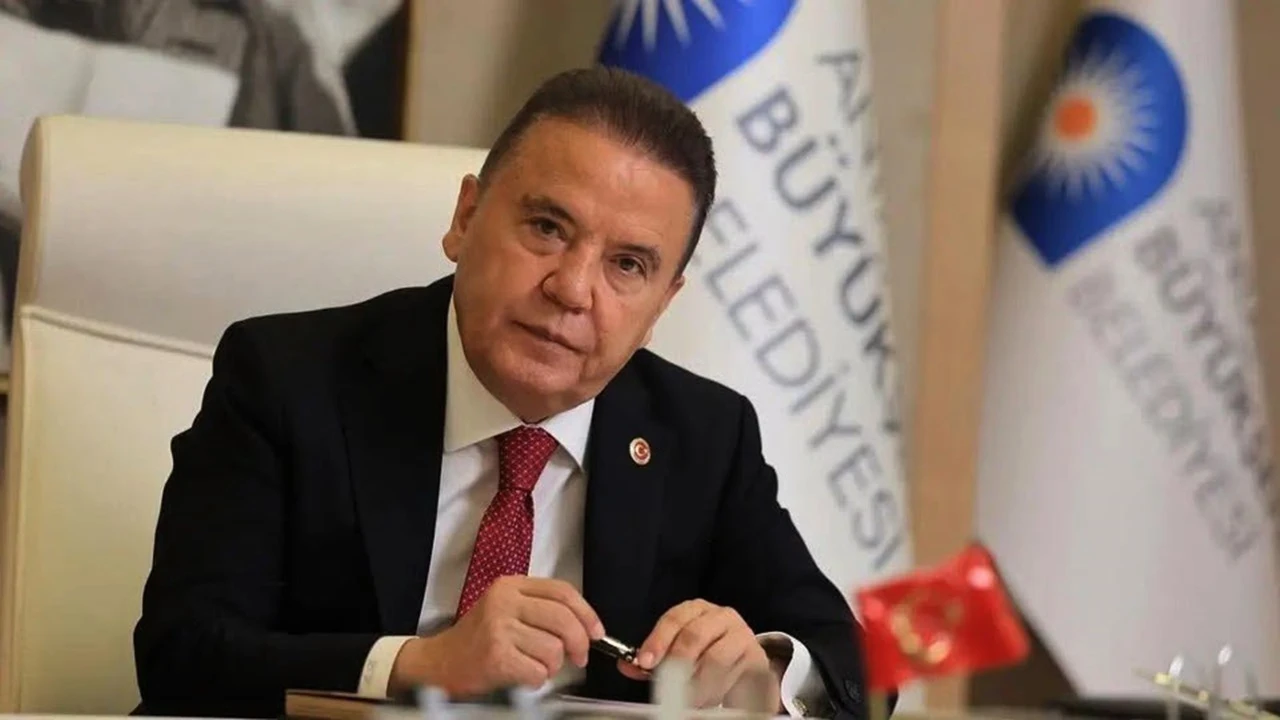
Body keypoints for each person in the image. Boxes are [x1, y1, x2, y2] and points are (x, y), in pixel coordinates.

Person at [132, 66, 876, 719]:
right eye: (547, 227)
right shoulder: (288, 379)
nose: (572, 289)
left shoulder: (704, 435)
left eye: (627, 266)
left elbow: (852, 668)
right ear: (465, 219)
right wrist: (422, 666)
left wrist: (766, 672)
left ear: (663, 303)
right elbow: (183, 653)